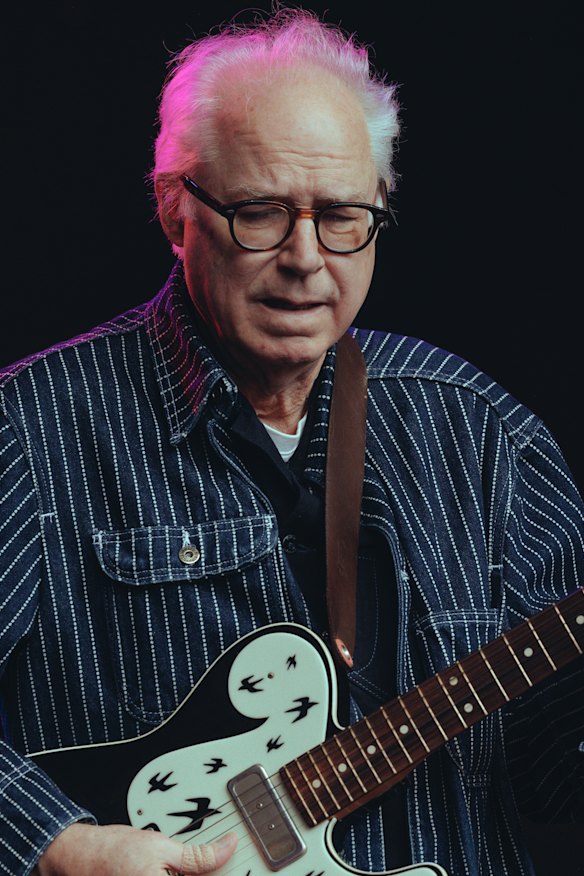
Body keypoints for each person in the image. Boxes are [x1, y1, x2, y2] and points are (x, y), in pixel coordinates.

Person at [0, 8, 582, 876]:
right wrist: (54, 843)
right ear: (173, 208)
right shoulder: (33, 428)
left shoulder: (482, 431)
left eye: (344, 215)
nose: (308, 259)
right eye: (262, 213)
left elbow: (547, 784)